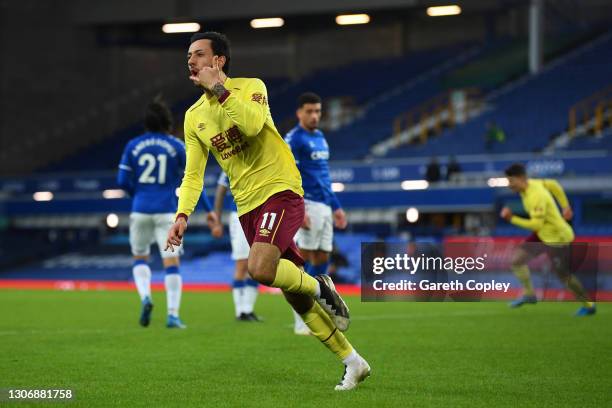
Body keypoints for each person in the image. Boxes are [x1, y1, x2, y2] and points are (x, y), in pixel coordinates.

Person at [165, 32, 370, 390]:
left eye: (199, 54)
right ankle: (353, 362)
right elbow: (193, 174)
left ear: (219, 61)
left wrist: (220, 90)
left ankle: (322, 287)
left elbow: (251, 125)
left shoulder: (250, 87)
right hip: (246, 205)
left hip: (280, 190)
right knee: (293, 292)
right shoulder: (193, 116)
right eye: (188, 55)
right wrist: (182, 214)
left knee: (260, 269)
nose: (191, 60)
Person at [117, 96, 220, 329]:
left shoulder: (132, 145)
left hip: (140, 210)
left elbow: (122, 180)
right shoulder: (176, 146)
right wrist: (208, 211)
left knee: (140, 257)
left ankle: (146, 297)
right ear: (168, 122)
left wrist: (139, 195)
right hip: (167, 213)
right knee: (171, 263)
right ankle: (172, 315)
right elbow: (192, 179)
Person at [285, 92, 347, 335]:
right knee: (306, 258)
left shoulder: (320, 137)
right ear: (299, 112)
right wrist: (298, 207)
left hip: (324, 204)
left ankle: (322, 310)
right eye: (309, 111)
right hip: (307, 203)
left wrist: (336, 205)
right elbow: (288, 175)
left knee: (323, 258)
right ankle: (301, 319)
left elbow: (325, 176)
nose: (314, 116)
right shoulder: (294, 139)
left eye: (318, 111)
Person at [500, 163, 595, 316]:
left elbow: (536, 223)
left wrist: (511, 218)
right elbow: (553, 184)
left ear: (521, 178)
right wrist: (565, 206)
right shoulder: (532, 185)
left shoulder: (536, 196)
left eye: (511, 181)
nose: (509, 185)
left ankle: (589, 305)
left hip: (557, 236)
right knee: (517, 260)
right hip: (543, 233)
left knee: (563, 274)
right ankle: (530, 294)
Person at [214, 171, 261, 322]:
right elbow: (221, 190)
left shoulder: (262, 158)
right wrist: (217, 220)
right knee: (242, 264)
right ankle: (240, 311)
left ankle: (248, 309)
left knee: (258, 265)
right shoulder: (231, 160)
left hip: (260, 216)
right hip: (239, 216)